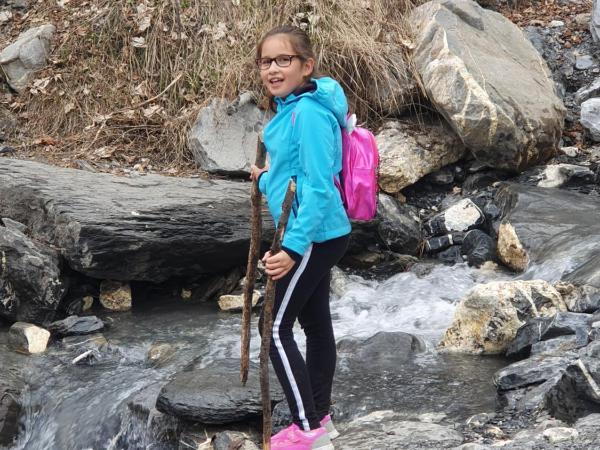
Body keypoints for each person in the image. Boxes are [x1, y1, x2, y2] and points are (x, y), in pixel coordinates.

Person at [250, 25, 351, 450]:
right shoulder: (293, 109)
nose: (273, 69)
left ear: (306, 66)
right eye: (266, 62)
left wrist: (292, 248)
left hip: (312, 235)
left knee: (273, 328)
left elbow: (320, 185)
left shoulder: (307, 114)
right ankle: (320, 417)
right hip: (322, 232)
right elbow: (296, 174)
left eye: (283, 60)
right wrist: (266, 178)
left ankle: (306, 428)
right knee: (315, 324)